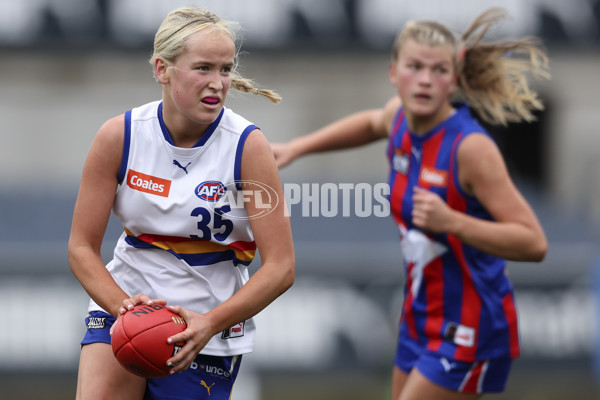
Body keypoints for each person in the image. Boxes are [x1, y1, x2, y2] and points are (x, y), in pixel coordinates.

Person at [272, 7, 548, 400]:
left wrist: (452, 220)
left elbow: (534, 243)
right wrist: (297, 148)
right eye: (414, 66)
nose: (425, 80)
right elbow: (370, 123)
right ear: (393, 72)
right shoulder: (398, 118)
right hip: (420, 316)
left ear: (454, 77)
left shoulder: (471, 148)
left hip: (470, 322)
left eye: (438, 70)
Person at [68, 6, 294, 400]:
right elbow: (81, 247)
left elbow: (281, 267)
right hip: (124, 308)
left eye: (225, 69)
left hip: (206, 328)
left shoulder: (247, 147)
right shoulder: (119, 136)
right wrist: (124, 308)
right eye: (203, 68)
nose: (218, 83)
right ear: (162, 69)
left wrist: (210, 322)